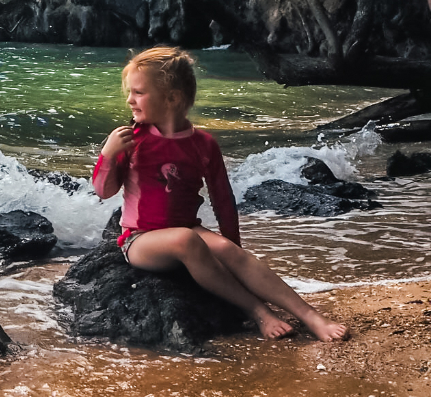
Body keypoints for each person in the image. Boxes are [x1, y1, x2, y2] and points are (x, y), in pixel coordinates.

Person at [92, 46, 348, 342]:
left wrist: (232, 251)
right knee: (186, 239)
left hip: (188, 229)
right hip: (140, 239)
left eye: (138, 93)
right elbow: (103, 190)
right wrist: (108, 154)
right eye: (131, 92)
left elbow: (222, 199)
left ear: (172, 98)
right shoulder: (131, 140)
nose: (130, 100)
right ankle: (258, 311)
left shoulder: (203, 144)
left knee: (224, 249)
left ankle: (310, 316)